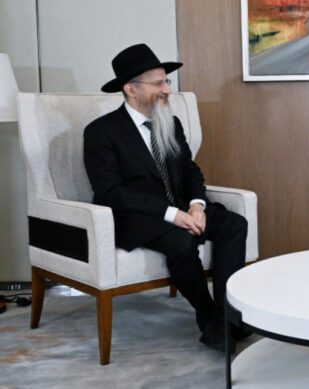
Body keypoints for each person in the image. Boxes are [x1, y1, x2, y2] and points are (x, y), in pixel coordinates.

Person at [83, 43, 249, 352]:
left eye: (167, 81)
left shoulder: (170, 122)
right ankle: (210, 318)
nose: (167, 90)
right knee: (180, 241)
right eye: (158, 83)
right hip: (137, 217)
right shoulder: (101, 132)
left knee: (234, 224)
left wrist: (197, 205)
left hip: (181, 207)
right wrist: (173, 215)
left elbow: (189, 169)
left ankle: (226, 317)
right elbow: (110, 192)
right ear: (131, 89)